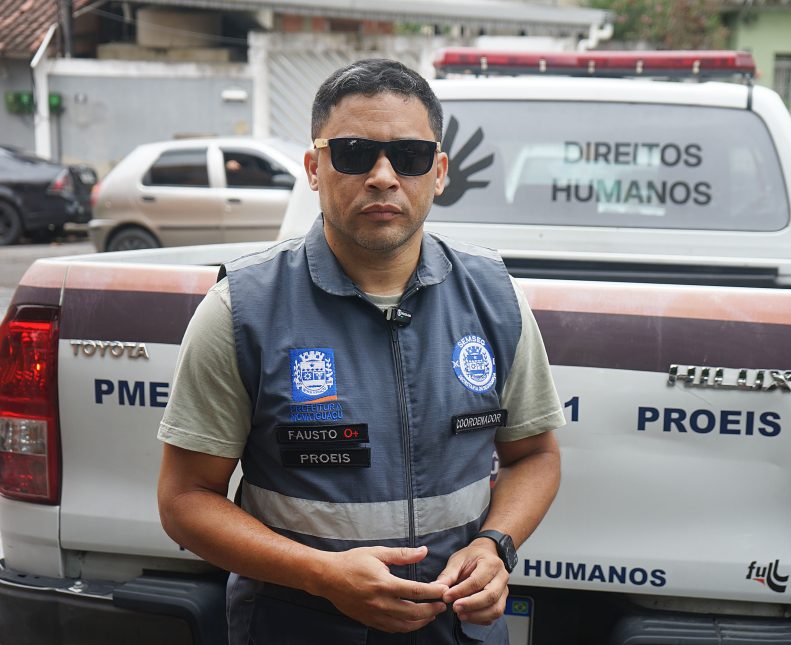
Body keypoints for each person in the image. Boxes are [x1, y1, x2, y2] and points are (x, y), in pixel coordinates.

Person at [156, 58, 564, 644]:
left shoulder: (494, 299)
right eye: (353, 153)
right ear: (314, 168)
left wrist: (494, 546)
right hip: (298, 627)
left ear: (439, 172)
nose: (383, 176)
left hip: (458, 629)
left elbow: (535, 456)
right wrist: (321, 575)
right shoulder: (241, 310)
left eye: (410, 156)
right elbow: (185, 499)